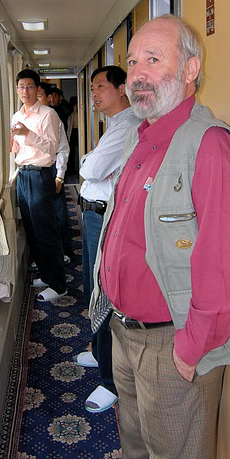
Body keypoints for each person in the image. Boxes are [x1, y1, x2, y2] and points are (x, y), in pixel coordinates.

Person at [89, 15, 230, 459]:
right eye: (132, 61)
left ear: (190, 70)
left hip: (172, 344)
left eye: (153, 59)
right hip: (126, 335)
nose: (138, 72)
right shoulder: (142, 139)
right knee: (139, 457)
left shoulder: (207, 145)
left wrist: (189, 349)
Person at [74, 66, 140, 413]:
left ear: (122, 89)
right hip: (93, 213)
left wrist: (88, 161)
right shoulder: (114, 126)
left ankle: (111, 380)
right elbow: (93, 165)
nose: (95, 94)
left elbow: (91, 170)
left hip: (104, 218)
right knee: (92, 288)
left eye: (101, 87)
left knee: (103, 291)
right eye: (93, 88)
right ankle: (99, 353)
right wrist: (91, 161)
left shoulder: (127, 125)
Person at [11, 69, 66, 302]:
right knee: (32, 230)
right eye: (21, 87)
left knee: (45, 230)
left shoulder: (47, 114)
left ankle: (58, 284)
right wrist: (14, 141)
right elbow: (19, 148)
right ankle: (46, 273)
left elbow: (52, 147)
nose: (25, 91)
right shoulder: (16, 115)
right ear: (17, 89)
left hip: (40, 175)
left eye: (30, 87)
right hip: (22, 175)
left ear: (37, 89)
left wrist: (27, 133)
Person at [37, 81, 74, 262]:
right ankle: (45, 256)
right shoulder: (26, 119)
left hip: (52, 170)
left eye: (40, 97)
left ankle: (64, 252)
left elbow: (63, 149)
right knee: (41, 217)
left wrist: (59, 176)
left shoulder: (53, 118)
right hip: (37, 171)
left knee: (58, 213)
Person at [67, 96, 79, 174]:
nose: (76, 107)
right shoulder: (71, 115)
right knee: (71, 152)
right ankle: (71, 169)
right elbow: (68, 127)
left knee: (78, 151)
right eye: (75, 106)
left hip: (79, 132)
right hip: (72, 133)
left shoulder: (81, 115)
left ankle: (77, 168)